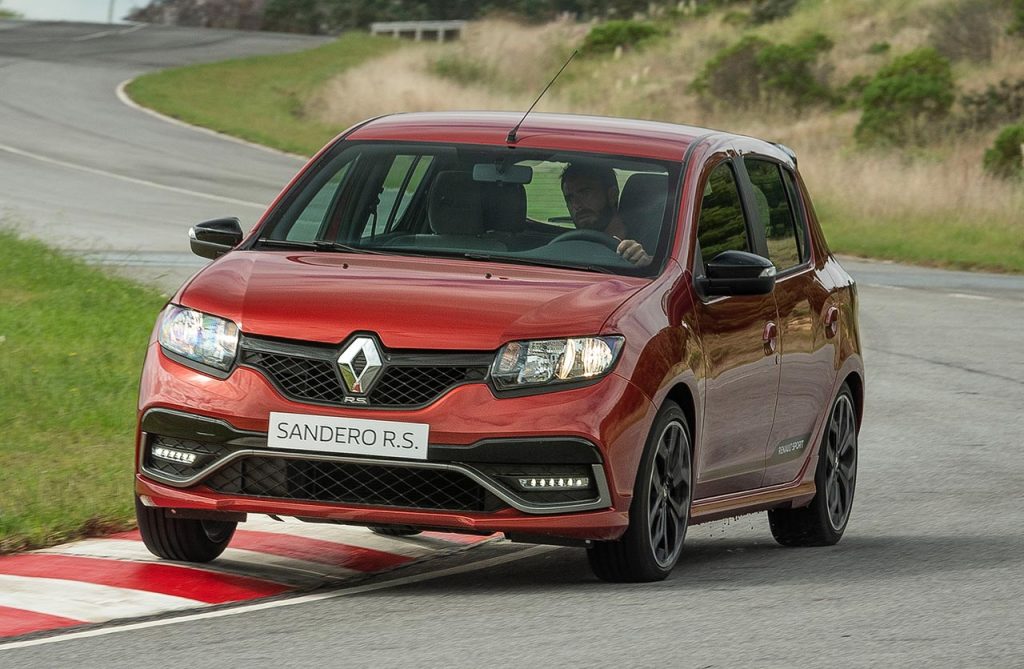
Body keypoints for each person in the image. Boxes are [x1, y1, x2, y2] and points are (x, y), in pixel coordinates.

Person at [560, 162, 652, 267]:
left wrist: (646, 262)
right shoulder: (568, 247)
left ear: (612, 195)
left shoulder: (651, 243)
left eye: (585, 193)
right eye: (569, 198)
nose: (576, 205)